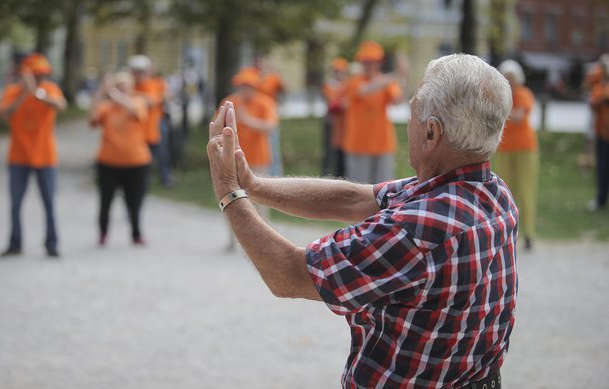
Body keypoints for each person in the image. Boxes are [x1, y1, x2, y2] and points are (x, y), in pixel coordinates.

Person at [207, 54, 517, 388]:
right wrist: (252, 186)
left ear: (431, 133)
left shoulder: (418, 230)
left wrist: (228, 193)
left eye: (412, 114)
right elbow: (356, 198)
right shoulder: (492, 193)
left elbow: (289, 274)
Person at [0, 53, 67, 258]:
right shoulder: (13, 91)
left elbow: (61, 105)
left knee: (49, 203)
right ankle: (15, 243)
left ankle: (52, 244)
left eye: (42, 74)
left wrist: (39, 94)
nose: (40, 78)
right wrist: (24, 94)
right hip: (19, 156)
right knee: (16, 203)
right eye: (36, 74)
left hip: (45, 157)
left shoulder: (49, 89)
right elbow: (4, 114)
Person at [217, 67, 278, 250]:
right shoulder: (230, 102)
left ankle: (264, 240)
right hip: (232, 159)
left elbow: (270, 126)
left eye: (248, 85)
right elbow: (217, 127)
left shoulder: (265, 102)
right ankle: (233, 239)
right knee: (231, 198)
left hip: (258, 158)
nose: (244, 89)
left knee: (260, 199)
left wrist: (247, 119)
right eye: (241, 85)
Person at [89, 72, 151, 246]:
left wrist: (114, 94)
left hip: (136, 162)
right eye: (119, 86)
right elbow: (92, 118)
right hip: (108, 162)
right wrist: (101, 92)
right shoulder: (108, 108)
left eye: (125, 86)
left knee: (135, 201)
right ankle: (102, 233)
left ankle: (136, 233)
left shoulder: (137, 102)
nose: (122, 90)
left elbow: (133, 109)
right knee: (105, 200)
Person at [342, 41, 404, 184]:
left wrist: (403, 77)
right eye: (366, 62)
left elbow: (398, 101)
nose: (369, 65)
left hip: (383, 143)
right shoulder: (354, 82)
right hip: (358, 144)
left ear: (379, 63)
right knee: (358, 189)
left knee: (385, 188)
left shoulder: (386, 82)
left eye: (372, 62)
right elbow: (365, 90)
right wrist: (395, 74)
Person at [493, 59, 539, 251]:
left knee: (525, 190)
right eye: (506, 77)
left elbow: (519, 116)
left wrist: (502, 113)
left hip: (525, 148)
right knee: (503, 192)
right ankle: (505, 232)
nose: (509, 81)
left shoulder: (523, 94)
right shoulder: (499, 96)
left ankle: (528, 233)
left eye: (512, 77)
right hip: (503, 148)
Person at [128, 55, 169, 185]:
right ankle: (142, 179)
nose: (139, 75)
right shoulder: (130, 85)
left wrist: (131, 96)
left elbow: (152, 101)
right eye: (136, 71)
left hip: (154, 126)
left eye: (142, 71)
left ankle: (165, 178)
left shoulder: (154, 83)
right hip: (137, 129)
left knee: (161, 154)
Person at [253, 57, 284, 177]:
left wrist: (276, 72)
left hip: (269, 112)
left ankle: (275, 174)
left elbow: (282, 89)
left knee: (272, 142)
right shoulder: (254, 76)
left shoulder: (273, 77)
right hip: (257, 114)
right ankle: (263, 171)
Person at [321, 57, 349, 177]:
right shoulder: (329, 85)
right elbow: (332, 105)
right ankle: (326, 175)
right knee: (329, 152)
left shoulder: (347, 84)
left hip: (344, 125)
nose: (339, 74)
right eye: (337, 71)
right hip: (332, 123)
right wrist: (343, 103)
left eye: (341, 71)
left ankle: (341, 176)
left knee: (342, 153)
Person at [589, 56, 609, 211]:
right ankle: (601, 199)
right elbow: (593, 104)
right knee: (602, 168)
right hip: (603, 134)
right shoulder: (599, 87)